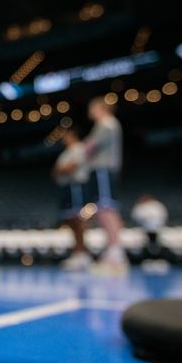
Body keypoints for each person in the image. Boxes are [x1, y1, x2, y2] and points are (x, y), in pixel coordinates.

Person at [85, 97, 127, 274]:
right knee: (106, 209)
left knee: (106, 209)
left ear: (100, 108)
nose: (89, 111)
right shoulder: (109, 124)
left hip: (103, 170)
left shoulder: (106, 124)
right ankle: (114, 251)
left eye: (92, 107)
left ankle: (115, 254)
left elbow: (89, 148)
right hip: (104, 171)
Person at [52, 127, 92, 270]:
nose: (64, 139)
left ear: (74, 135)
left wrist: (61, 169)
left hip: (76, 186)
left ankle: (82, 254)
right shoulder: (65, 153)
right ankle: (77, 252)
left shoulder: (79, 149)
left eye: (67, 136)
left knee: (77, 220)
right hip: (65, 188)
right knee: (70, 220)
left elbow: (69, 169)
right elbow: (55, 173)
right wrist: (60, 170)